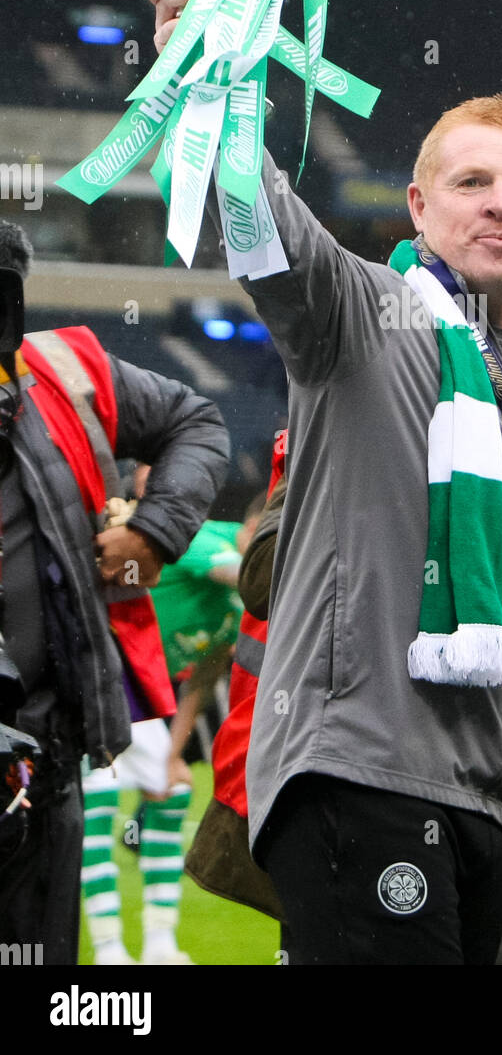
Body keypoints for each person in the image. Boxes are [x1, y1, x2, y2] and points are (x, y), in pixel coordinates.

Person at [149, 0, 502, 966]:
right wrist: (207, 78)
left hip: (485, 790)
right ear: (417, 204)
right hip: (358, 771)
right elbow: (260, 222)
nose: (496, 204)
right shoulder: (360, 318)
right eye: (471, 182)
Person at [0, 218, 230, 965]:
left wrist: (156, 531)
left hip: (44, 759)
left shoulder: (68, 370)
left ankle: (144, 944)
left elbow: (196, 423)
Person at [80, 482, 249, 966]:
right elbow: (245, 572)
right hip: (96, 677)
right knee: (100, 798)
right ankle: (110, 948)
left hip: (141, 696)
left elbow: (203, 676)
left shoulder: (241, 612)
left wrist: (175, 753)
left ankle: (159, 945)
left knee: (171, 791)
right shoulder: (208, 543)